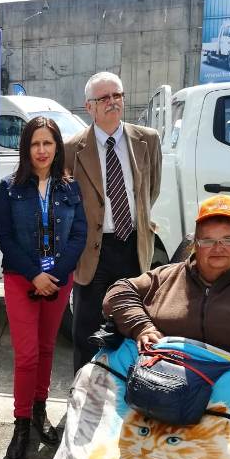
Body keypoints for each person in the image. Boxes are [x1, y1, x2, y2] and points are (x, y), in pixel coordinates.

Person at [103, 194, 230, 383]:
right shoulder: (169, 275)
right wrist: (142, 326)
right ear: (196, 243)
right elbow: (120, 291)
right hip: (165, 380)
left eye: (229, 239)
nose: (218, 248)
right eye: (208, 240)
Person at [0, 117, 87, 459]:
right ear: (26, 148)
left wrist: (57, 275)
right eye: (35, 143)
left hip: (58, 282)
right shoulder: (10, 188)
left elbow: (79, 235)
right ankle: (20, 425)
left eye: (48, 143)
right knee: (28, 354)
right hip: (22, 279)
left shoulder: (70, 189)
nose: (42, 150)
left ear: (57, 147)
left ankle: (38, 412)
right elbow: (4, 237)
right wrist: (35, 274)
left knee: (47, 349)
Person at [63, 71, 162, 372]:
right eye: (103, 98)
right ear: (88, 106)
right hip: (93, 251)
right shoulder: (72, 149)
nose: (112, 102)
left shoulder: (147, 140)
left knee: (132, 327)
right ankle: (82, 396)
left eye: (117, 95)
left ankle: (125, 394)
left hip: (134, 244)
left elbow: (151, 190)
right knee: (86, 332)